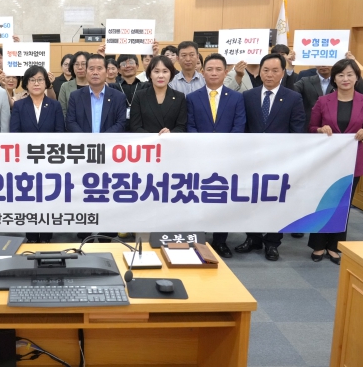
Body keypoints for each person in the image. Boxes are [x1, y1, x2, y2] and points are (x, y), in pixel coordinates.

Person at [235, 53, 306, 261]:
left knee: (276, 202)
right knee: (252, 200)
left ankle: (273, 243)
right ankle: (253, 238)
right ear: (260, 71)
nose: (269, 75)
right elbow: (243, 128)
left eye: (275, 71)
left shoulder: (293, 98)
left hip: (280, 161)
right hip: (252, 159)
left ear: (283, 73)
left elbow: (297, 131)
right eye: (266, 70)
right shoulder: (248, 96)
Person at [308, 58, 363, 264]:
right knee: (324, 202)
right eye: (341, 75)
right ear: (334, 79)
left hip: (352, 161)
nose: (345, 78)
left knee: (343, 205)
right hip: (326, 161)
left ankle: (335, 246)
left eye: (349, 75)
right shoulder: (323, 101)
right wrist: (320, 129)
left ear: (356, 78)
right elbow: (311, 128)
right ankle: (318, 245)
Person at [186, 53, 246, 258]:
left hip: (226, 158)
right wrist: (204, 146)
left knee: (222, 200)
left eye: (218, 69)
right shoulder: (192, 98)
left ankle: (220, 241)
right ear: (202, 72)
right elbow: (190, 126)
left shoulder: (236, 98)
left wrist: (222, 147)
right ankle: (199, 239)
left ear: (226, 72)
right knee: (199, 198)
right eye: (209, 69)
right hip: (199, 158)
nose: (213, 73)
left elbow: (239, 126)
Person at [67, 54, 126, 241]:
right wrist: (88, 142)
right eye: (91, 68)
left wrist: (102, 141)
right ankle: (85, 234)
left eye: (99, 68)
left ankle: (107, 235)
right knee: (84, 193)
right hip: (84, 154)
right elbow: (71, 122)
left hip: (109, 155)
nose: (95, 72)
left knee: (107, 194)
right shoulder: (76, 96)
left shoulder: (118, 97)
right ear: (85, 72)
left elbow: (121, 123)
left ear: (107, 71)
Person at [10, 66, 65, 243]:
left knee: (48, 199)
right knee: (29, 200)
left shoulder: (55, 105)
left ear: (46, 82)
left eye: (40, 79)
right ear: (26, 83)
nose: (36, 83)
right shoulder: (19, 106)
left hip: (49, 162)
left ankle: (47, 237)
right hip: (26, 162)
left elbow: (60, 133)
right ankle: (32, 237)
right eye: (32, 80)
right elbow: (15, 133)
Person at [294, 62, 363, 128]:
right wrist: (289, 70)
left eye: (327, 62)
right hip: (310, 128)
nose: (323, 65)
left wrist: (353, 64)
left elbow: (362, 92)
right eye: (321, 61)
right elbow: (291, 93)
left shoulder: (341, 81)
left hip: (336, 127)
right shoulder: (305, 80)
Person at [129, 55, 187, 134]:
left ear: (171, 74)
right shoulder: (139, 96)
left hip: (171, 140)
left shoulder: (179, 97)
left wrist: (170, 134)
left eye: (165, 71)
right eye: (156, 71)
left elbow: (181, 126)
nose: (161, 76)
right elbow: (135, 126)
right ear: (150, 74)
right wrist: (154, 138)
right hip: (146, 141)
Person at [116, 54, 145, 129]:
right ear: (119, 70)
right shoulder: (113, 87)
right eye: (123, 64)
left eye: (131, 63)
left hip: (141, 129)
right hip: (119, 129)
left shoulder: (145, 86)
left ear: (137, 66)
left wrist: (155, 55)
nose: (128, 66)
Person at [58, 51, 90, 117]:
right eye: (76, 64)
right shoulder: (65, 86)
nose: (80, 67)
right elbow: (62, 111)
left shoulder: (95, 86)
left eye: (83, 64)